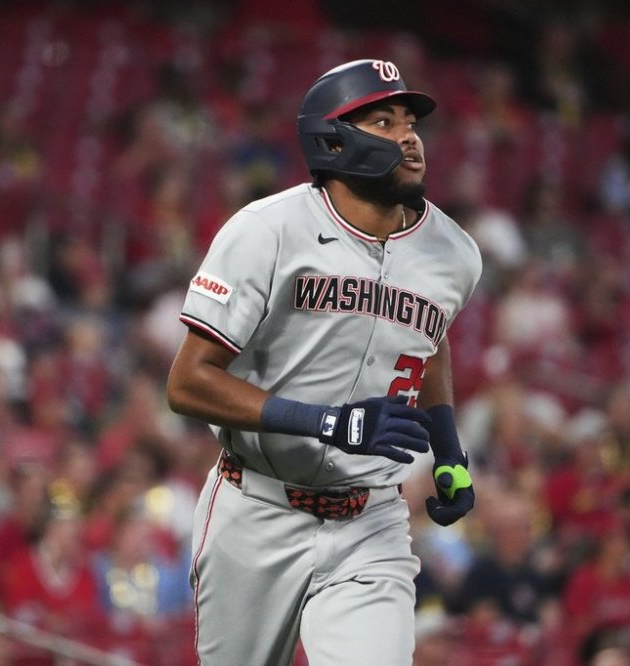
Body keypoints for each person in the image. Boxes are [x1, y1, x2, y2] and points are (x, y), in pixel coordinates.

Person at [166, 59, 482, 666]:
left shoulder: (454, 253)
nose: (408, 135)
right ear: (333, 139)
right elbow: (187, 383)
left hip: (372, 517)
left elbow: (428, 335)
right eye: (383, 120)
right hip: (256, 506)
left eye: (410, 120)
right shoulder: (267, 230)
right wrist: (323, 422)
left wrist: (448, 452)